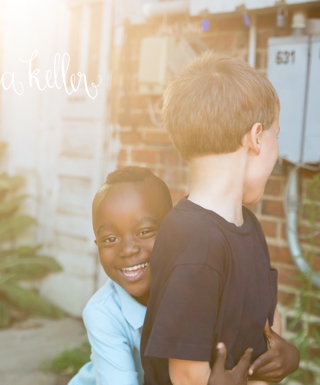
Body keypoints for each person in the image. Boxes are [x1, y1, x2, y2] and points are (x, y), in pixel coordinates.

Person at [141, 52, 299, 385]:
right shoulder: (195, 241)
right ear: (256, 137)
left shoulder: (248, 227)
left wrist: (278, 359)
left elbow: (266, 321)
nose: (276, 149)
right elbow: (185, 373)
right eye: (276, 135)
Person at [69, 166, 264, 385]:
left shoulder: (196, 283)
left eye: (144, 232)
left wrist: (279, 357)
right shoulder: (103, 313)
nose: (128, 250)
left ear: (173, 232)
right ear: (96, 245)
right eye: (110, 239)